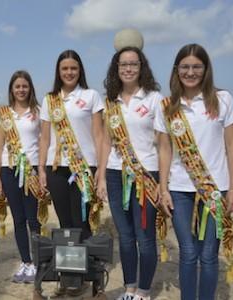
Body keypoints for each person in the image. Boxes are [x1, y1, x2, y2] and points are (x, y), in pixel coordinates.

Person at [155, 44, 233, 300]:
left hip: (215, 190)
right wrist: (163, 188)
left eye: (196, 67)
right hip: (180, 189)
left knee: (208, 254)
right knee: (189, 252)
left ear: (205, 70)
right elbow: (164, 150)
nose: (190, 72)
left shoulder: (223, 99)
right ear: (176, 70)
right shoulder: (168, 106)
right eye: (185, 67)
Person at [97, 46, 165, 300]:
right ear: (116, 68)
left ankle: (144, 291)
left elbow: (163, 143)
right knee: (125, 236)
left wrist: (162, 182)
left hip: (145, 175)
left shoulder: (154, 99)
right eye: (123, 64)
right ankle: (129, 288)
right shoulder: (110, 102)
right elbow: (105, 141)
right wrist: (101, 176)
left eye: (133, 64)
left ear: (141, 67)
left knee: (144, 237)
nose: (128, 69)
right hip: (116, 175)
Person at [38, 49, 104, 243]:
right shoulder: (49, 100)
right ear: (58, 72)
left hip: (84, 166)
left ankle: (86, 264)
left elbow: (99, 135)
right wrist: (41, 169)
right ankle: (69, 265)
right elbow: (44, 138)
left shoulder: (91, 96)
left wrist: (100, 168)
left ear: (80, 70)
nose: (69, 72)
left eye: (73, 68)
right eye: (64, 68)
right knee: (64, 220)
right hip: (56, 167)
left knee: (82, 219)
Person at [0, 70, 51, 284]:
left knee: (34, 219)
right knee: (18, 219)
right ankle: (25, 261)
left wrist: (42, 170)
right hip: (10, 171)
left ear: (30, 88)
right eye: (17, 86)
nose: (21, 90)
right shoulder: (4, 114)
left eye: (24, 86)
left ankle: (37, 261)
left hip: (32, 170)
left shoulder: (37, 112)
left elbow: (45, 141)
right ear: (11, 89)